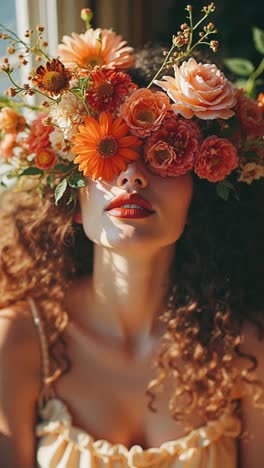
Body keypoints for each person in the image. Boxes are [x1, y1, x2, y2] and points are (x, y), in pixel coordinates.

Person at [0, 5, 264, 468]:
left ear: (198, 190)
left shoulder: (245, 350)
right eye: (110, 151)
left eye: (163, 155)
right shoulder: (19, 342)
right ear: (72, 198)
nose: (132, 178)